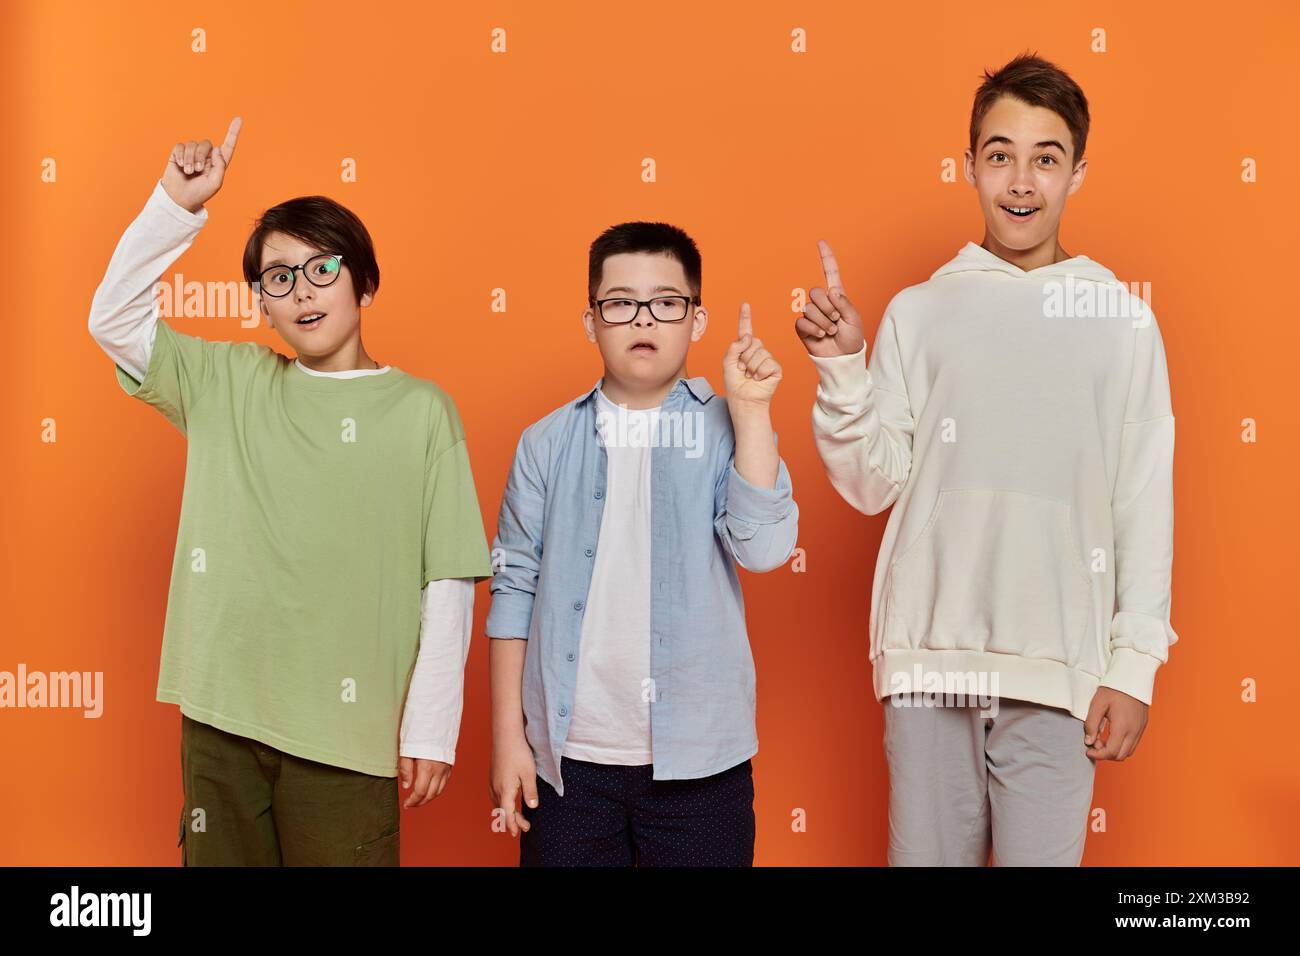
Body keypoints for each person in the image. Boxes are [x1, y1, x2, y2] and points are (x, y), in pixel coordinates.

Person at [797, 54, 1177, 865]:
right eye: (1000, 153)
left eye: (1046, 157)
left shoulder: (1120, 320)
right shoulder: (920, 312)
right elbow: (872, 483)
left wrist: (1134, 666)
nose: (1021, 180)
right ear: (970, 165)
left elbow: (1143, 499)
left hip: (1059, 671)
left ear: (1077, 170)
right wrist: (842, 368)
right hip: (929, 660)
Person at [87, 117, 493, 865]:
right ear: (261, 304)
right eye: (279, 278)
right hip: (222, 721)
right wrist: (175, 205)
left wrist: (431, 728)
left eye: (322, 268)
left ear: (364, 280)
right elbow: (112, 317)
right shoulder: (226, 382)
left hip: (347, 733)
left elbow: (449, 582)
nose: (301, 291)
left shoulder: (422, 412)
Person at [486, 222, 799, 865]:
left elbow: (765, 550)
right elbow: (513, 589)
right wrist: (508, 740)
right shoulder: (545, 442)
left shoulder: (726, 428)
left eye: (666, 302)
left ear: (697, 318)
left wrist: (752, 412)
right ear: (591, 320)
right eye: (620, 303)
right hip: (569, 763)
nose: (642, 320)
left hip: (703, 763)